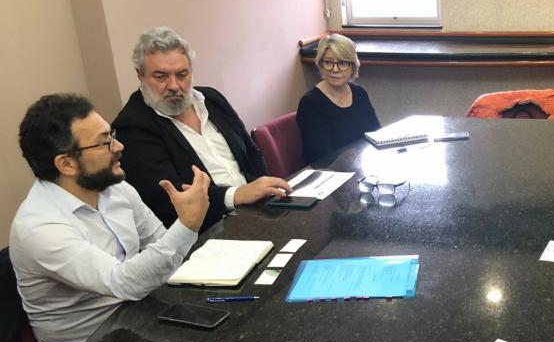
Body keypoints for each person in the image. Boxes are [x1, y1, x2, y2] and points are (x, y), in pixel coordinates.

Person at [10, 94, 210, 342]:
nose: (119, 146)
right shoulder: (39, 228)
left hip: (139, 314)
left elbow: (159, 241)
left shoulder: (114, 188)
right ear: (66, 164)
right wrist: (187, 224)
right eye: (105, 141)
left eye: (111, 134)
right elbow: (123, 282)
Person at [113, 26, 292, 232]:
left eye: (182, 75)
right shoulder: (133, 126)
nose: (174, 85)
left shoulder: (212, 99)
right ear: (140, 75)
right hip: (208, 231)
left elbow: (251, 153)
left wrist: (265, 193)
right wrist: (237, 195)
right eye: (161, 77)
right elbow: (168, 198)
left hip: (259, 211)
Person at [296, 33, 380, 166]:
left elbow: (376, 134)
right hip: (328, 174)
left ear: (352, 66)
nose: (335, 69)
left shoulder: (360, 93)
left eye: (342, 63)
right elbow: (323, 157)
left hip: (361, 165)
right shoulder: (310, 104)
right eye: (328, 62)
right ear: (321, 64)